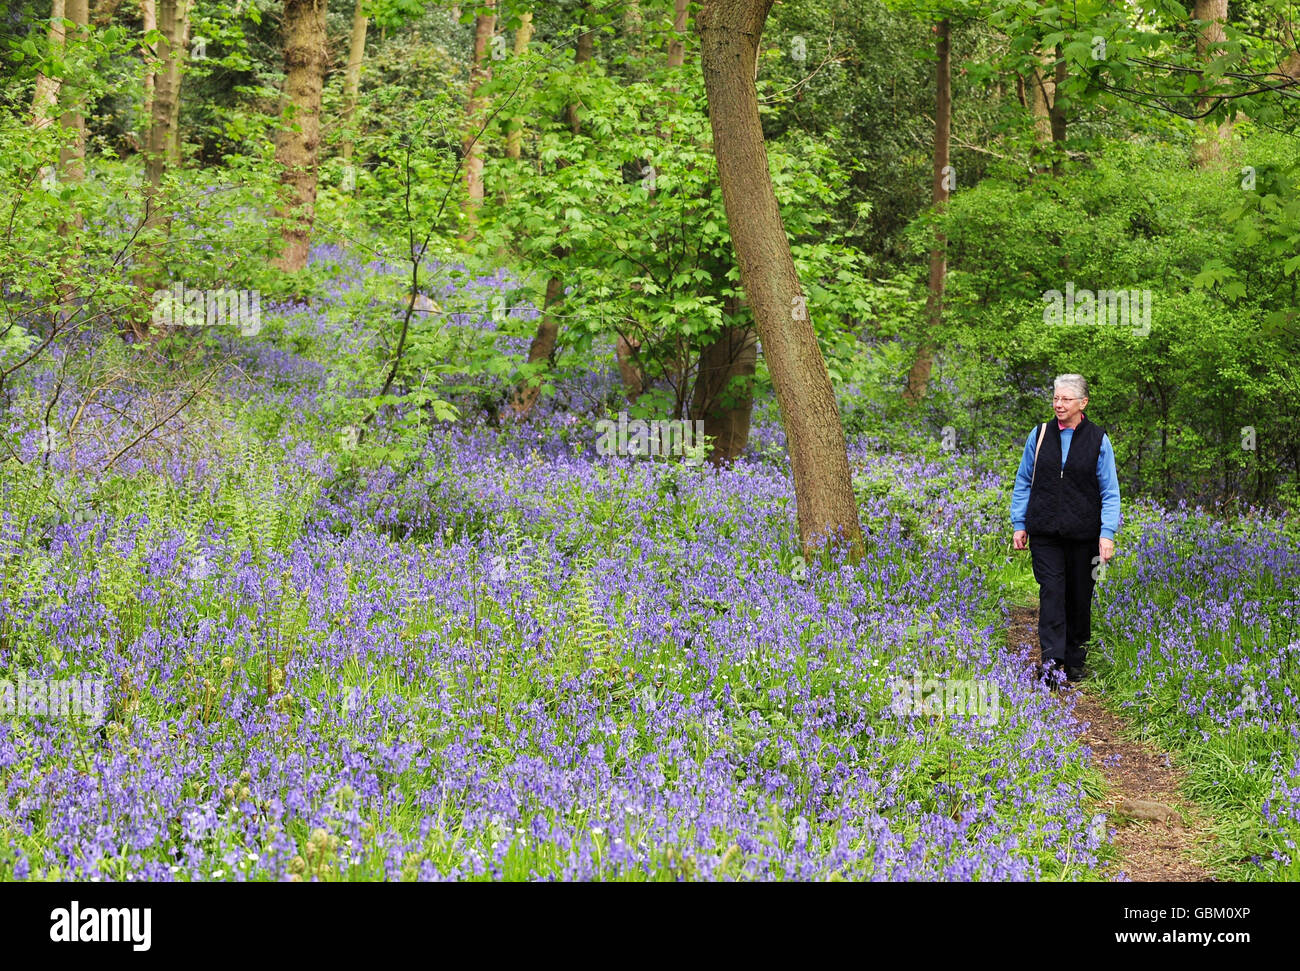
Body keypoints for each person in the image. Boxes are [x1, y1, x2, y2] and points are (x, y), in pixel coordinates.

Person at [1010, 374, 1120, 688]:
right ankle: (1052, 666)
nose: (1059, 404)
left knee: (1079, 597)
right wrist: (1020, 523)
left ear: (1082, 403)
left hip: (1085, 536)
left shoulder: (1098, 439)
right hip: (1044, 532)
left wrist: (1107, 533)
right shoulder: (1040, 434)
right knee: (1052, 594)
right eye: (1056, 398)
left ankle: (1075, 661)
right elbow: (1023, 482)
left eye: (1066, 399)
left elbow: (1110, 491)